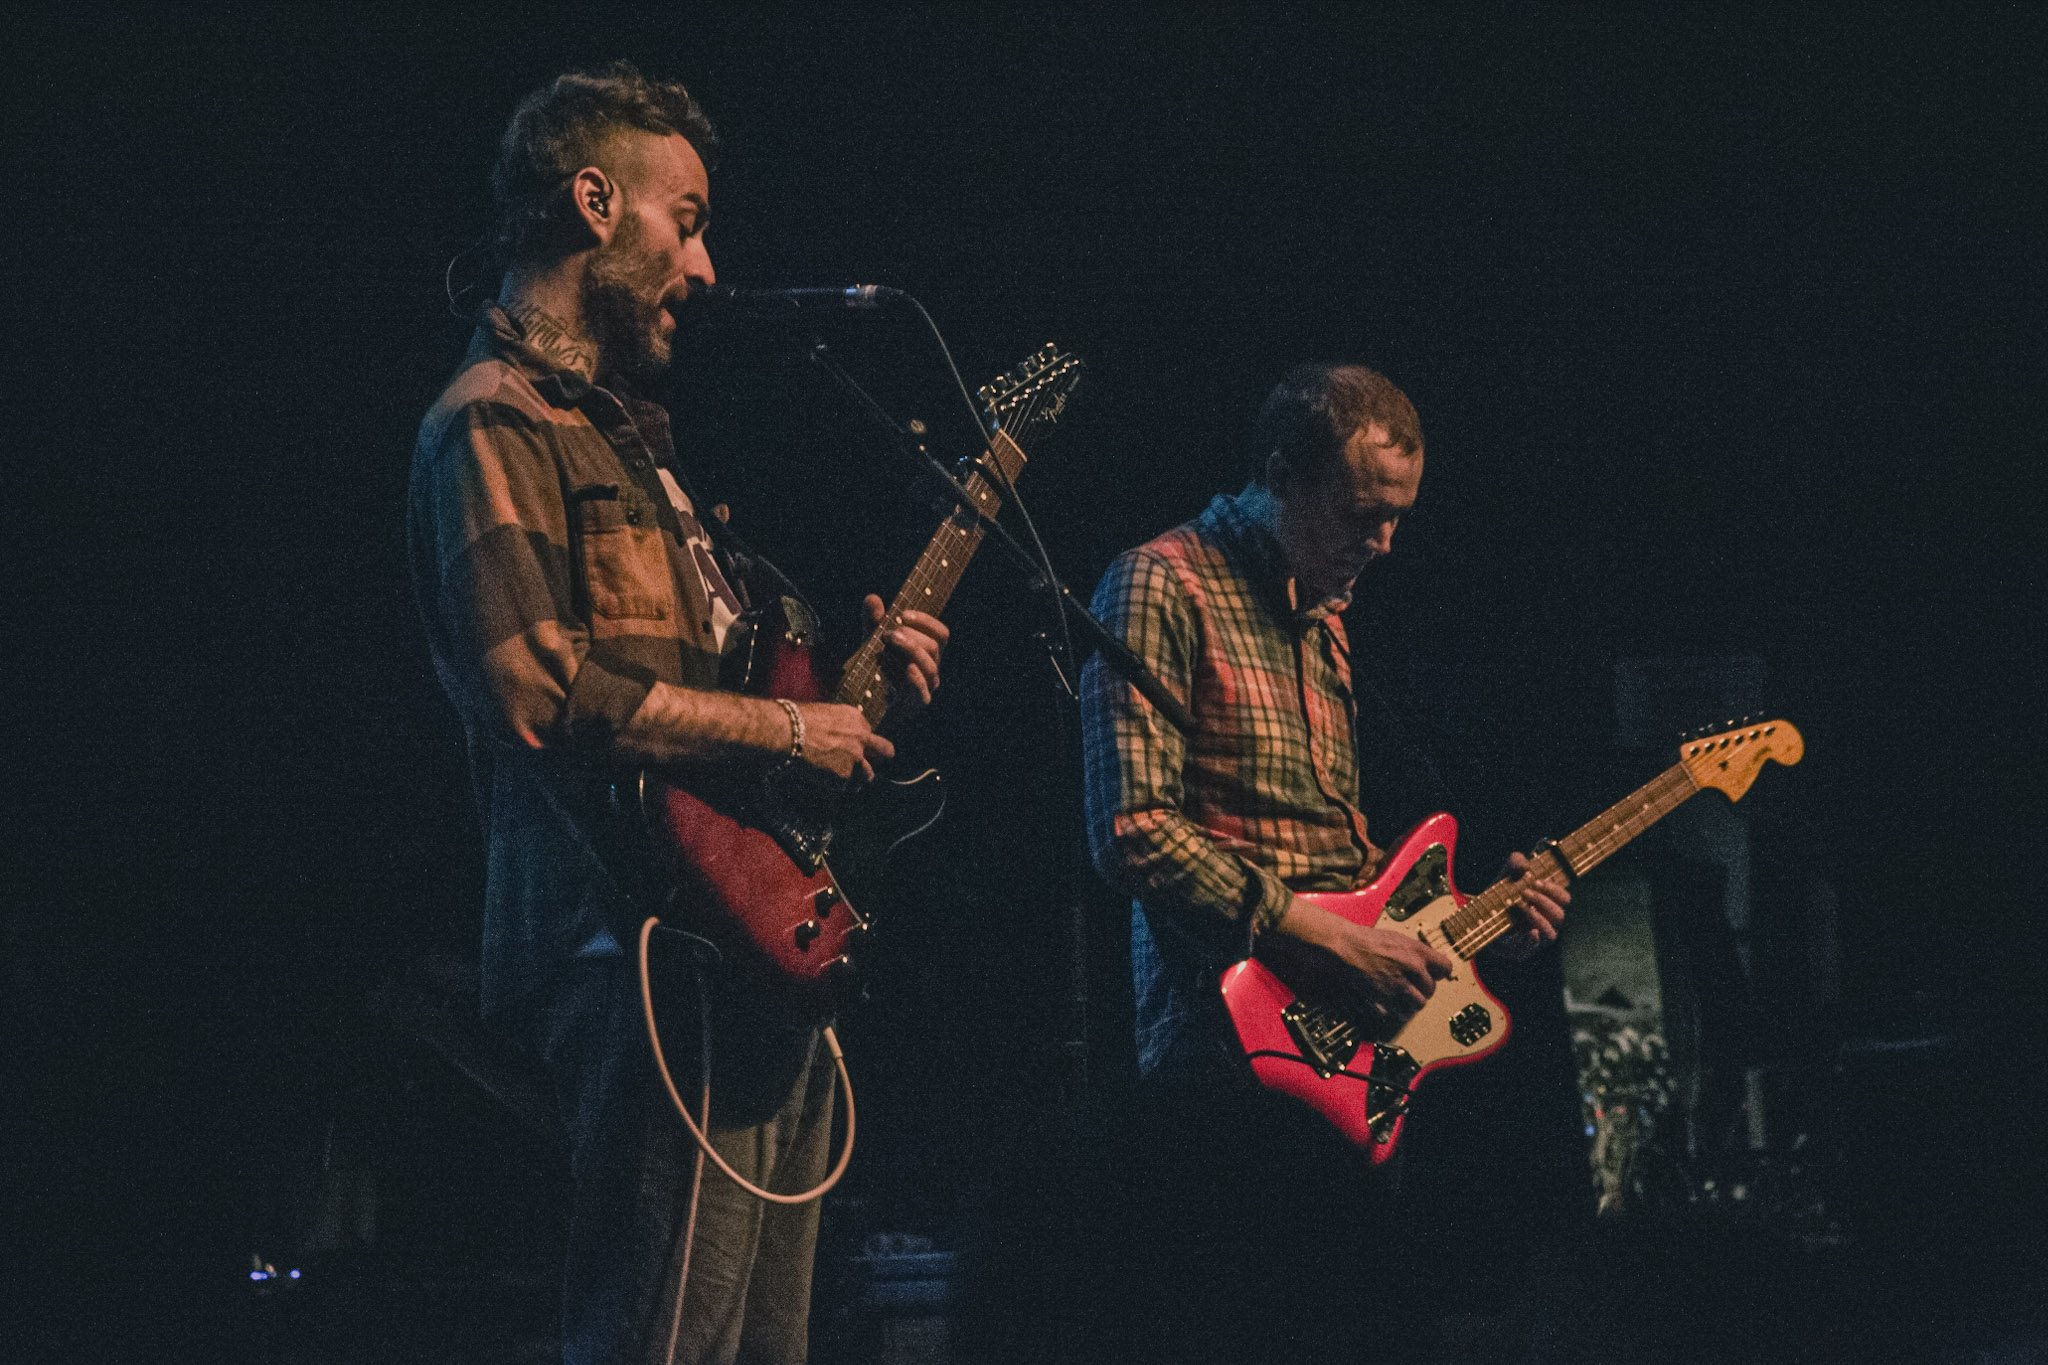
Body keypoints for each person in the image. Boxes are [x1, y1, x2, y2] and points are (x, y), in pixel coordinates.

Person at [409, 63, 947, 1365]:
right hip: (630, 942)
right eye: (684, 217)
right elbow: (542, 687)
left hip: (735, 940)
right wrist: (791, 734)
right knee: (659, 1341)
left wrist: (846, 686)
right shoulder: (490, 423)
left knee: (763, 1344)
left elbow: (714, 702)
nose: (703, 267)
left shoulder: (634, 448)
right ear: (593, 202)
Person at [1078, 362, 1568, 1363]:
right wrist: (1316, 938)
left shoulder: (1323, 622)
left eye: (1398, 517)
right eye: (1359, 512)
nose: (1382, 542)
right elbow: (1129, 829)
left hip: (1344, 1055)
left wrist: (1478, 922)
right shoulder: (1157, 583)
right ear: (1276, 474)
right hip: (1220, 1049)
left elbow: (1342, 861)